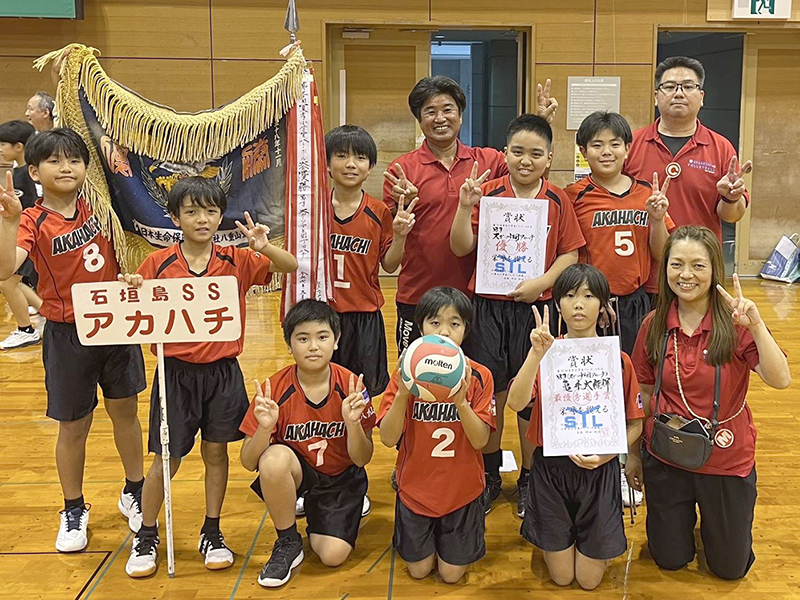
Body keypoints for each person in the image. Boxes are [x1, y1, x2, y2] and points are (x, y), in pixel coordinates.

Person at [123, 177, 298, 577]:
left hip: (223, 373)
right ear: (175, 218)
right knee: (166, 459)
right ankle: (146, 533)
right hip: (175, 375)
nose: (202, 219)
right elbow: (135, 301)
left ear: (220, 216)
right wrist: (134, 287)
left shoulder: (237, 260)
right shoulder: (158, 263)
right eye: (191, 211)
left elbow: (290, 266)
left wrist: (263, 246)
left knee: (216, 453)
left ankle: (212, 531)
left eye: (210, 211)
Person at [0, 128, 146, 552]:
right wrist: (8, 221)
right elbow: (5, 269)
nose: (66, 168)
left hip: (117, 324)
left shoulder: (102, 203)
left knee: (126, 412)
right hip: (68, 333)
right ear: (34, 171)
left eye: (74, 160)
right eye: (54, 161)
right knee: (73, 425)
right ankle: (73, 507)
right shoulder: (31, 220)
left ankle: (135, 490)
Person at [626, 226, 790, 580]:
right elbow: (644, 395)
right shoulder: (653, 325)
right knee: (669, 559)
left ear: (715, 268)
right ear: (665, 268)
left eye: (698, 265)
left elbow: (781, 379)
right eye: (677, 264)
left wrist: (757, 326)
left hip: (724, 457)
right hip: (667, 455)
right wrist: (635, 455)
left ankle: (717, 528)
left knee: (730, 569)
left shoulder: (735, 323)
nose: (686, 275)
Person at [450, 114, 584, 516]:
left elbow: (570, 253)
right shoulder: (487, 192)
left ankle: (528, 477)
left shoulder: (558, 200)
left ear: (550, 158)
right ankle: (490, 474)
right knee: (489, 391)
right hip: (488, 308)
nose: (526, 161)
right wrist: (464, 208)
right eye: (518, 152)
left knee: (532, 397)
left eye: (536, 154)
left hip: (537, 312)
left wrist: (541, 282)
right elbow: (460, 247)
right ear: (505, 153)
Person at [383, 79, 559, 353]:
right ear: (419, 119)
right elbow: (391, 246)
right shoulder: (401, 170)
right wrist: (401, 201)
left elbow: (529, 172)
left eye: (448, 109)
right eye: (430, 111)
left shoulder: (489, 161)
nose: (440, 118)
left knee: (472, 373)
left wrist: (539, 123)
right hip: (419, 294)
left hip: (476, 297)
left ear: (461, 115)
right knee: (417, 371)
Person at [507, 264, 644, 589]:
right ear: (557, 304)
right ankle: (560, 538)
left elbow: (635, 424)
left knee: (588, 580)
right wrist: (535, 355)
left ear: (603, 305)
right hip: (551, 470)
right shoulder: (546, 353)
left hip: (600, 470)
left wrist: (608, 455)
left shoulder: (618, 359)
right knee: (562, 577)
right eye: (569, 296)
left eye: (588, 296)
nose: (578, 304)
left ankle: (586, 538)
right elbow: (515, 402)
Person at [240, 299, 376, 588]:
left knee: (332, 555)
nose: (313, 346)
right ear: (289, 344)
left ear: (336, 341)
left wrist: (352, 423)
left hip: (340, 479)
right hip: (302, 474)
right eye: (303, 338)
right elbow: (249, 461)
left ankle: (325, 511)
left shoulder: (352, 386)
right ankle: (288, 540)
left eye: (322, 337)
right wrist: (264, 429)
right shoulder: (274, 389)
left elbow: (362, 458)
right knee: (273, 459)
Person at [378, 286, 496, 584]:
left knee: (451, 575)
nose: (444, 331)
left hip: (462, 492)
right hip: (416, 489)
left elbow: (481, 441)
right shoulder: (405, 374)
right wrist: (403, 393)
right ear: (421, 328)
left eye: (454, 323)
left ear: (466, 329)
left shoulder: (479, 375)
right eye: (435, 322)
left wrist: (461, 402)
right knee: (418, 571)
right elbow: (388, 439)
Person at [625, 56, 752, 298]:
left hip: (698, 277)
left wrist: (731, 198)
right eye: (670, 86)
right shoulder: (632, 144)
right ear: (656, 96)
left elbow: (732, 216)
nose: (679, 93)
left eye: (688, 86)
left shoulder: (720, 147)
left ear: (701, 97)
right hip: (643, 276)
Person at [565, 111, 673, 355]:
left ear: (627, 149)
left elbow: (662, 253)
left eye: (614, 144)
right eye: (597, 145)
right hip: (590, 299)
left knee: (635, 366)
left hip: (637, 300)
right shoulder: (573, 196)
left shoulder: (647, 193)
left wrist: (657, 220)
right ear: (583, 152)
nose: (606, 152)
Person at [325, 124, 417, 398]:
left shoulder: (379, 212)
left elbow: (390, 265)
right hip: (324, 316)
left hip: (365, 317)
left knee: (364, 394)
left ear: (371, 166)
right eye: (341, 155)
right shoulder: (314, 210)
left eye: (360, 157)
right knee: (326, 390)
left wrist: (400, 236)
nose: (350, 164)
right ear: (327, 163)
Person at [0, 119, 43, 349]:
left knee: (8, 281)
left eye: (3, 145)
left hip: (27, 239)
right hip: (28, 238)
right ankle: (47, 315)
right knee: (15, 282)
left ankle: (26, 330)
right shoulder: (30, 171)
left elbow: (27, 210)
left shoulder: (21, 176)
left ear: (19, 147)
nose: (0, 149)